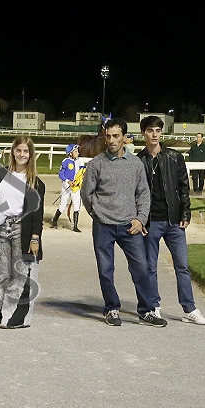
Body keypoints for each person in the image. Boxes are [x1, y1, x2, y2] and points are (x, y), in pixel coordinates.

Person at [80, 118, 166, 327]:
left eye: (116, 136)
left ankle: (146, 311)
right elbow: (86, 193)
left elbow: (143, 194)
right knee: (105, 270)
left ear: (125, 138)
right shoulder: (96, 164)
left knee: (141, 269)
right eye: (108, 136)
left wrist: (140, 219)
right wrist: (96, 214)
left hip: (130, 226)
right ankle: (111, 308)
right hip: (103, 226)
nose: (111, 140)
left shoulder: (135, 164)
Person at [138, 116, 205, 326]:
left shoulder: (174, 157)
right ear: (143, 133)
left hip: (174, 222)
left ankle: (189, 309)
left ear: (161, 133)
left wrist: (185, 213)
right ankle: (153, 306)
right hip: (150, 222)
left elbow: (183, 187)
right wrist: (140, 219)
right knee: (150, 268)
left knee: (182, 266)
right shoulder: (138, 160)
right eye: (150, 130)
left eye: (158, 130)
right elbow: (135, 193)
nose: (154, 134)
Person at [0, 136, 45, 328]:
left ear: (30, 154)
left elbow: (38, 215)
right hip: (2, 228)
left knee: (20, 276)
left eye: (25, 151)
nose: (22, 154)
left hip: (22, 230)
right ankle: (4, 311)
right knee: (1, 275)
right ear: (13, 151)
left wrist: (35, 238)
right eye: (19, 150)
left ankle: (17, 317)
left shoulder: (36, 183)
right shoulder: (1, 175)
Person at [51, 143, 83, 232]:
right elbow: (61, 174)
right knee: (62, 206)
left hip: (75, 187)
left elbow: (81, 172)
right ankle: (54, 220)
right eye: (75, 151)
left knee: (77, 206)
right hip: (66, 186)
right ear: (70, 153)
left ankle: (75, 226)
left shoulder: (79, 161)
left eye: (77, 151)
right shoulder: (65, 161)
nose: (77, 153)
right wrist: (68, 181)